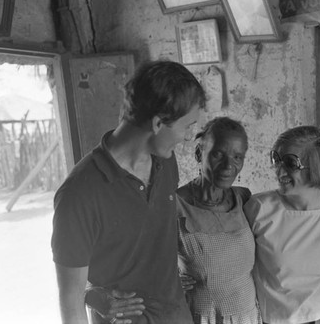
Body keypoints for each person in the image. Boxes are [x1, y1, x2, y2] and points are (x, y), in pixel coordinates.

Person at [51, 60, 206, 324]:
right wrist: (92, 294)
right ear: (158, 124)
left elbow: (152, 239)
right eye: (187, 126)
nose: (188, 136)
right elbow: (70, 301)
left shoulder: (165, 162)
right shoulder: (78, 195)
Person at [84, 117, 262, 324]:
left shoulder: (244, 200)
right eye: (218, 154)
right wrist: (165, 280)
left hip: (248, 317)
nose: (228, 165)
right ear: (199, 153)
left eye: (237, 157)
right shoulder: (170, 205)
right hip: (197, 317)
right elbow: (120, 264)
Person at [244, 126, 320, 324]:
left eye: (290, 163)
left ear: (317, 165)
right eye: (276, 159)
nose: (279, 171)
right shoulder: (259, 209)